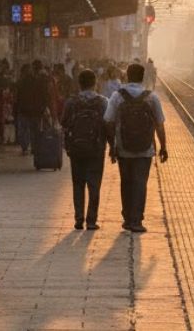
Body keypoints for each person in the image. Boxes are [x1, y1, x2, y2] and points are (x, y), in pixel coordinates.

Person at [104, 63, 167, 233]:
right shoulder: (151, 97)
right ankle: (137, 220)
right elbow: (160, 124)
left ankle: (127, 218)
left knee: (126, 182)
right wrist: (163, 147)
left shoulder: (117, 97)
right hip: (145, 149)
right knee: (140, 183)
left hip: (123, 148)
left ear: (126, 76)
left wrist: (112, 145)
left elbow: (108, 121)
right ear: (142, 77)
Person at [61, 70, 108, 230]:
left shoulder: (71, 102)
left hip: (76, 148)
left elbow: (64, 122)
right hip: (96, 148)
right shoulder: (103, 102)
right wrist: (112, 146)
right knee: (94, 184)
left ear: (79, 83)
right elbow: (108, 125)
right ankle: (91, 220)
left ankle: (78, 218)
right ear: (95, 82)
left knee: (78, 183)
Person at [15, 62, 47, 155]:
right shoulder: (38, 81)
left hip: (25, 110)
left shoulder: (21, 82)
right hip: (35, 111)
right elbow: (44, 96)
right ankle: (34, 147)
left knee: (24, 130)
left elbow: (18, 96)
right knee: (35, 130)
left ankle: (25, 148)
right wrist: (43, 107)